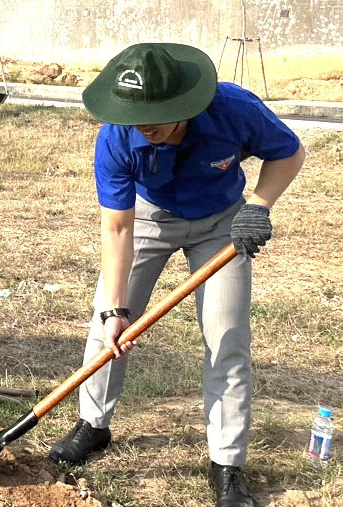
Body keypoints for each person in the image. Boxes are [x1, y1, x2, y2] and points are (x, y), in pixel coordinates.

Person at [47, 43, 304, 507]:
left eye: (157, 120)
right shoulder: (116, 137)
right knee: (105, 328)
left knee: (227, 338)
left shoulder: (233, 108)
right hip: (147, 218)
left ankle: (227, 462)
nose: (145, 127)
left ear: (186, 106)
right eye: (137, 118)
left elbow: (288, 153)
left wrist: (258, 207)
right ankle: (93, 424)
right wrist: (115, 308)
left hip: (222, 223)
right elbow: (117, 226)